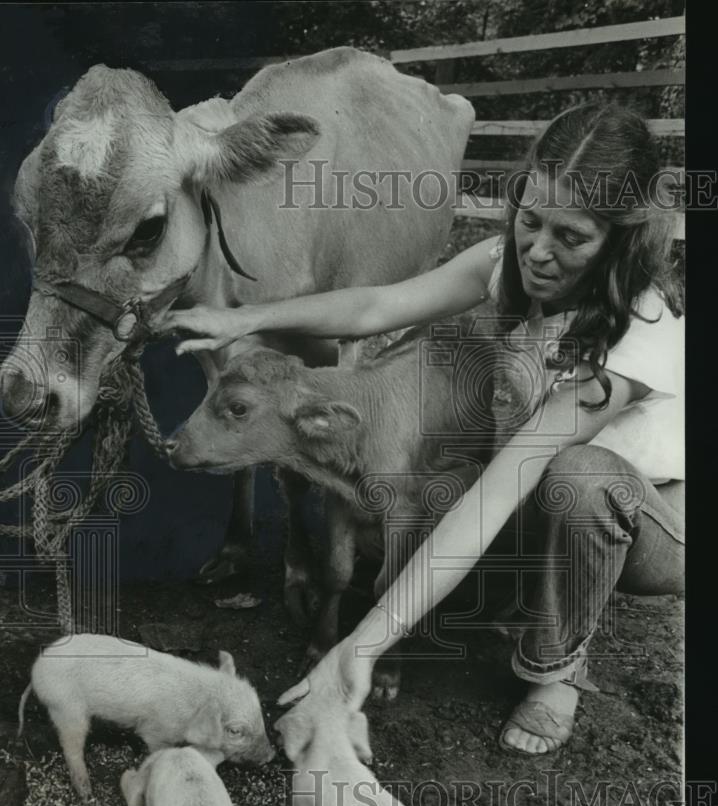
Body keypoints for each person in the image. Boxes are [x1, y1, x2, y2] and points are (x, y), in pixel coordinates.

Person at [163, 102, 684, 755]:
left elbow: (505, 484)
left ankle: (555, 675)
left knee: (576, 479)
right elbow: (379, 305)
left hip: (655, 522)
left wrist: (370, 641)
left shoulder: (639, 333)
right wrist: (242, 319)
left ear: (619, 238)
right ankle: (508, 597)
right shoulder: (509, 264)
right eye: (530, 220)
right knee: (444, 492)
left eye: (571, 237)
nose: (539, 252)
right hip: (539, 502)